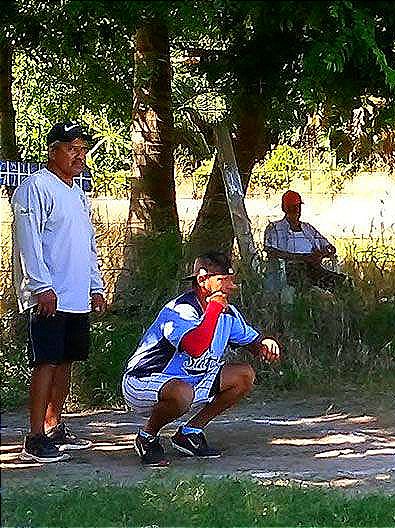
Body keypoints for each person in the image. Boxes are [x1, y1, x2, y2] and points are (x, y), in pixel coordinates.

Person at [122, 252, 281, 466]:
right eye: (223, 280)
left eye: (231, 279)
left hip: (191, 382)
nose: (231, 286)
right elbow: (196, 347)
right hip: (144, 380)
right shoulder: (181, 310)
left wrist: (265, 344)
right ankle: (147, 436)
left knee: (244, 375)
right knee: (182, 392)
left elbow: (251, 341)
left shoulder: (227, 313)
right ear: (202, 280)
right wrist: (214, 307)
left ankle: (190, 433)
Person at [12, 121, 106, 463]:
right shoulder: (35, 187)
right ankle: (34, 437)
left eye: (83, 149)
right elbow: (30, 241)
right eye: (72, 149)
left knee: (66, 361)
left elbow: (87, 244)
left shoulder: (77, 192)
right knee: (46, 362)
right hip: (49, 295)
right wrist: (41, 287)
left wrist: (95, 285)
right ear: (53, 151)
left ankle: (55, 426)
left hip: (76, 293)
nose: (79, 156)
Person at [263, 190, 348, 290]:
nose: (296, 210)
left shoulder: (308, 228)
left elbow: (330, 247)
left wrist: (322, 254)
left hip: (314, 268)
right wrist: (303, 258)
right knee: (312, 286)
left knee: (344, 282)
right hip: (290, 270)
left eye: (298, 206)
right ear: (284, 208)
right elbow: (271, 252)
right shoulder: (274, 228)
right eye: (292, 207)